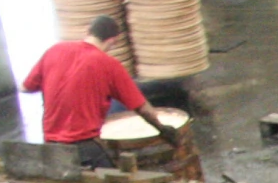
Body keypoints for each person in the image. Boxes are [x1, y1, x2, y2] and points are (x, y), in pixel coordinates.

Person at [22, 16, 175, 168]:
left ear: (88, 31)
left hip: (52, 147)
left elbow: (25, 87)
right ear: (112, 41)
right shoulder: (109, 65)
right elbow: (142, 109)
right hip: (85, 149)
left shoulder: (54, 50)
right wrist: (162, 129)